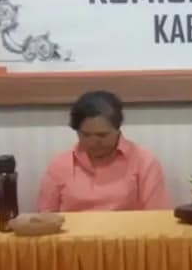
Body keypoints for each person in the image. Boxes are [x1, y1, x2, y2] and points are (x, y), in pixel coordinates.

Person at [37, 90, 172, 212]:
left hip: (127, 231)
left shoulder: (144, 162)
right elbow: (44, 217)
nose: (93, 142)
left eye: (102, 135)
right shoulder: (60, 164)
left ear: (118, 129)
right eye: (85, 135)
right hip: (73, 232)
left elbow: (158, 216)